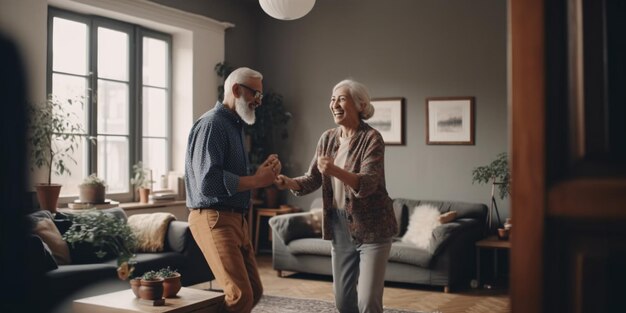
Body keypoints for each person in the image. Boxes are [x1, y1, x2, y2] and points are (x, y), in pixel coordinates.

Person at [275, 79, 398, 313]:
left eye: (341, 98)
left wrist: (335, 171)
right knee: (343, 302)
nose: (334, 104)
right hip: (339, 226)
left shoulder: (372, 138)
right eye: (332, 99)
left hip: (373, 227)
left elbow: (369, 183)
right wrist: (287, 181)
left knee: (368, 301)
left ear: (360, 105)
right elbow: (312, 178)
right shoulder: (327, 138)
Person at [185, 67, 281, 313]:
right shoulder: (212, 124)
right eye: (255, 95)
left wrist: (259, 174)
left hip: (236, 219)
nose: (258, 102)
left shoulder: (234, 125)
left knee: (253, 292)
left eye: (261, 96)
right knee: (240, 296)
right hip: (213, 217)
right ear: (236, 90)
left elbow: (233, 177)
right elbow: (208, 182)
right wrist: (257, 181)